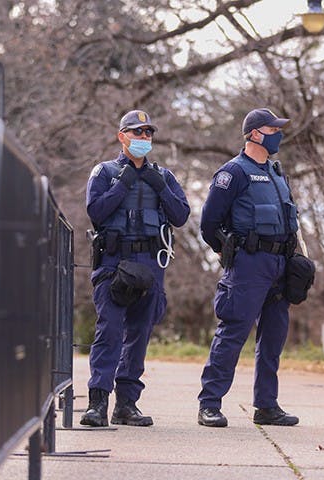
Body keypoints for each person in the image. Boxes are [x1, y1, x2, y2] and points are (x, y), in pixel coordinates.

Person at [81, 110, 190, 427]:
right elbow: (96, 212)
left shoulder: (164, 176)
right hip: (115, 263)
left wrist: (161, 187)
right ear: (122, 136)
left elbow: (181, 215)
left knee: (139, 334)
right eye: (137, 132)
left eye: (148, 133)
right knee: (110, 331)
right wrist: (123, 183)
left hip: (150, 264)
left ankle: (127, 404)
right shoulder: (104, 172)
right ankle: (97, 403)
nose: (143, 138)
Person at [197, 108, 301, 428]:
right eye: (273, 129)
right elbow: (208, 223)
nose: (278, 135)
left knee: (273, 337)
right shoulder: (233, 172)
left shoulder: (276, 173)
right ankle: (209, 403)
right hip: (248, 265)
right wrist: (230, 253)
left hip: (279, 264)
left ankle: (266, 406)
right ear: (255, 134)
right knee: (233, 333)